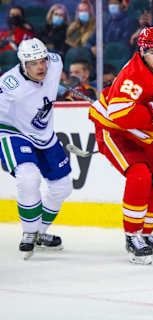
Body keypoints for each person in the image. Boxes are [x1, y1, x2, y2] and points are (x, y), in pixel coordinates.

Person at [88, 27, 153, 265]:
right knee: (140, 176)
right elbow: (119, 114)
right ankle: (132, 236)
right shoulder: (133, 75)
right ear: (142, 52)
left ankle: (146, 233)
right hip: (115, 130)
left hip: (142, 133)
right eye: (152, 52)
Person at [0, 38, 73, 260]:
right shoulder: (9, 86)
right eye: (33, 63)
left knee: (63, 187)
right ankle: (29, 232)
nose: (41, 67)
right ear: (23, 64)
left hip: (44, 135)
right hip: (13, 131)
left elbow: (53, 73)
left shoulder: (56, 62)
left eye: (42, 61)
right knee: (28, 177)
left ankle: (40, 232)